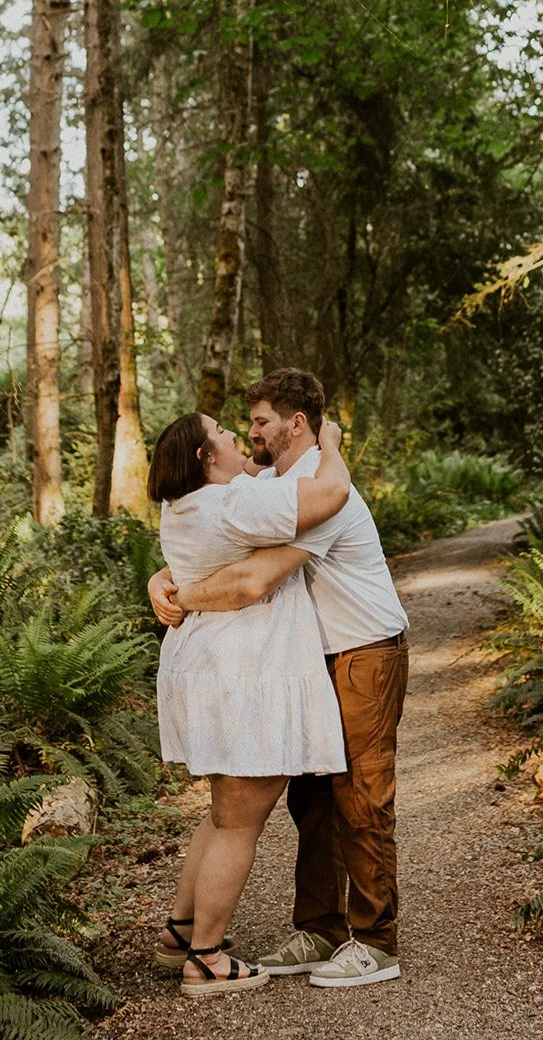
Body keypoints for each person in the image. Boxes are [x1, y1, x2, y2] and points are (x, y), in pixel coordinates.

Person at [149, 368, 409, 990]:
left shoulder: (320, 490)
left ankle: (374, 941)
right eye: (241, 426)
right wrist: (161, 578)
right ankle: (320, 928)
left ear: (296, 424)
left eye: (260, 421)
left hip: (362, 651)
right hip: (311, 659)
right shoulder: (270, 484)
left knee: (361, 796)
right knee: (312, 800)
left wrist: (182, 592)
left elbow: (250, 580)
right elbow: (215, 533)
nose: (250, 432)